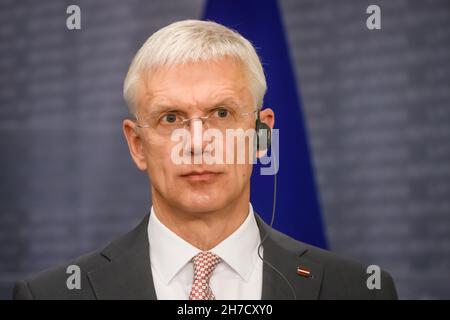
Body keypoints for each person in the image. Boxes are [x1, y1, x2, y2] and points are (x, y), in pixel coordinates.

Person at [13, 20, 397, 300]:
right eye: (171, 118)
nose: (197, 143)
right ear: (137, 144)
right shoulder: (51, 295)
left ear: (261, 135)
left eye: (222, 114)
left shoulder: (358, 290)